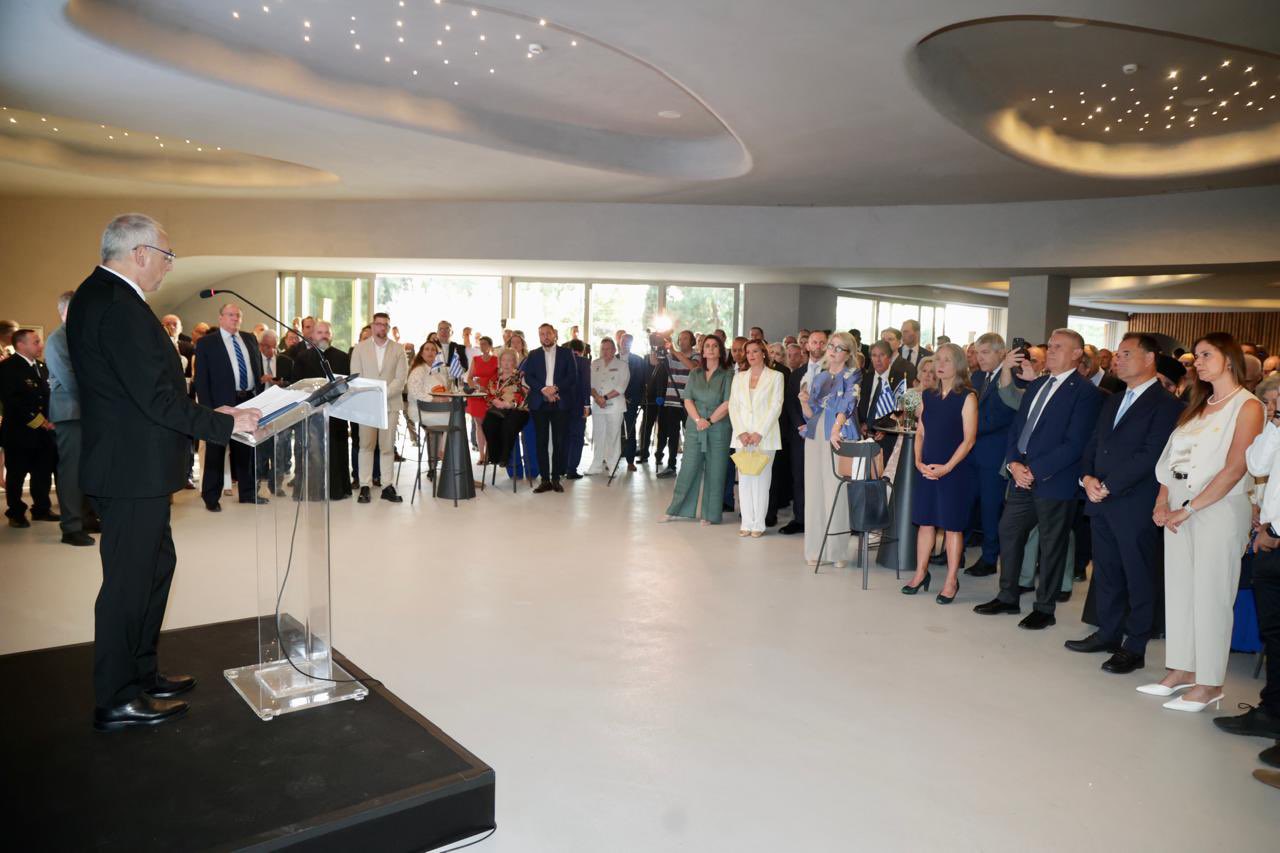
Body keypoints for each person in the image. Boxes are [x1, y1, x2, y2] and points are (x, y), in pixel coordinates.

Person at [67, 212, 259, 731]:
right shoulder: (115, 305)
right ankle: (116, 697)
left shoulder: (107, 297)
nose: (169, 266)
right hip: (129, 469)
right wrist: (223, 423)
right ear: (140, 253)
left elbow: (145, 390)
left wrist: (212, 414)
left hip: (135, 465)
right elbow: (151, 398)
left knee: (155, 569)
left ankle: (141, 672)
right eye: (167, 256)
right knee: (128, 584)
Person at [1143, 333, 1263, 711]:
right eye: (1196, 357)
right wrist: (1163, 501)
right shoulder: (1198, 404)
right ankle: (1182, 669)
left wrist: (1190, 508)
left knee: (1212, 595)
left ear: (1229, 358)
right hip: (1180, 502)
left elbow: (1235, 468)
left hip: (1218, 507)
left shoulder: (1248, 406)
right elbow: (1171, 460)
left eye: (1206, 355)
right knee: (1181, 590)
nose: (1198, 362)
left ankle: (1210, 683)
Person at [1066, 334, 1185, 674]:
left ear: (1149, 359)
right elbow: (1094, 442)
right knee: (1106, 572)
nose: (1118, 360)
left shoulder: (1166, 404)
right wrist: (1087, 477)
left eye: (1126, 354)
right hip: (1101, 498)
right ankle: (1108, 632)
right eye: (1117, 354)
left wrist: (1109, 485)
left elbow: (1151, 454)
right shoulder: (1115, 399)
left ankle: (1135, 646)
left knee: (1138, 576)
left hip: (1134, 502)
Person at [974, 329, 1103, 629]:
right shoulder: (1039, 384)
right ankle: (1008, 596)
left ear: (1076, 354)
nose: (1051, 351)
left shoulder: (1085, 393)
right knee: (1009, 530)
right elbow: (1017, 428)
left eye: (1059, 347)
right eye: (1051, 346)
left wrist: (1034, 469)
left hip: (1054, 479)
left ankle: (1045, 608)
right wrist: (1014, 463)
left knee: (1051, 543)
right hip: (1022, 475)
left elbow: (1075, 443)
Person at [1214, 381, 1280, 760]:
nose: (1271, 407)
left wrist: (1276, 532)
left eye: (1276, 402)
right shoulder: (1276, 426)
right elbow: (1257, 465)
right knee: (1275, 635)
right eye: (1269, 401)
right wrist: (1275, 423)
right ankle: (1273, 712)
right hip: (1269, 540)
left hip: (1275, 537)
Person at [902, 343, 977, 603]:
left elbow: (969, 440)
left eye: (946, 360)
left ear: (959, 365)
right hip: (927, 468)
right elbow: (920, 432)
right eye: (937, 359)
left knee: (952, 526)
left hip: (954, 471)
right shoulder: (928, 396)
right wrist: (918, 461)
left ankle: (951, 580)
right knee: (925, 523)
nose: (940, 365)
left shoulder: (967, 397)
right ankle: (921, 573)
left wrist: (946, 467)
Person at [193, 303, 265, 510]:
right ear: (221, 318)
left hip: (248, 400)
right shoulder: (207, 343)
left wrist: (259, 398)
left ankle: (248, 493)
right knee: (216, 451)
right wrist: (208, 409)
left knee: (246, 449)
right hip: (221, 404)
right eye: (231, 315)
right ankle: (211, 498)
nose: (235, 318)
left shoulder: (250, 339)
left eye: (238, 315)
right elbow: (201, 380)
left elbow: (257, 370)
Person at [800, 332, 862, 566]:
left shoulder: (852, 374)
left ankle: (837, 551)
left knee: (835, 491)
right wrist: (803, 401)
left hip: (838, 435)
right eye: (831, 346)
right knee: (814, 491)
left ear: (848, 353)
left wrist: (836, 429)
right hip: (815, 435)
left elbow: (848, 405)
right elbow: (811, 413)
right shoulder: (820, 376)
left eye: (839, 348)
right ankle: (815, 549)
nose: (833, 351)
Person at [45, 291, 101, 545]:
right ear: (65, 311)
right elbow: (69, 379)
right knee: (71, 471)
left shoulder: (81, 334)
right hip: (71, 413)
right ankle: (70, 527)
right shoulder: (57, 339)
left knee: (88, 468)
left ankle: (87, 518)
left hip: (87, 411)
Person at [662, 335, 734, 525]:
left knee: (715, 471)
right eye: (707, 346)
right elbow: (687, 399)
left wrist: (709, 421)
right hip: (695, 426)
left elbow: (728, 403)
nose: (710, 349)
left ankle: (710, 514)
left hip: (719, 426)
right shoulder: (695, 373)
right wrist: (697, 420)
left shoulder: (728, 374)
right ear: (702, 351)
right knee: (688, 467)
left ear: (721, 350)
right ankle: (676, 509)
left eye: (715, 346)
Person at [964, 333, 1016, 578]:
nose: (979, 357)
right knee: (965, 504)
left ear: (1001, 353)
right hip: (972, 451)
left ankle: (989, 557)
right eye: (977, 352)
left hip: (994, 454)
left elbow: (1001, 417)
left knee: (990, 508)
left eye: (985, 352)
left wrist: (964, 427)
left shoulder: (1011, 378)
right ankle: (956, 549)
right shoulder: (976, 377)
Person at [1, 328, 59, 528]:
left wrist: (51, 420)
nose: (40, 345)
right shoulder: (7, 368)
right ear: (20, 345)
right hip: (19, 432)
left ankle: (41, 508)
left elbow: (48, 396)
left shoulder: (42, 367)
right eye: (35, 342)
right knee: (16, 475)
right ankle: (16, 512)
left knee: (42, 472)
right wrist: (39, 421)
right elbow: (12, 401)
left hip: (44, 433)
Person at [350, 312, 408, 504]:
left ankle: (387, 486)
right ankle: (365, 485)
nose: (382, 327)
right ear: (372, 326)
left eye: (385, 325)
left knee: (387, 447)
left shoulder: (398, 349)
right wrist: (373, 396)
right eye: (378, 324)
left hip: (390, 404)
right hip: (366, 404)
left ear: (388, 328)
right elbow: (355, 376)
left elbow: (400, 379)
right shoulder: (360, 348)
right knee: (366, 445)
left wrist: (383, 394)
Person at [291, 320, 352, 499]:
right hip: (313, 414)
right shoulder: (302, 358)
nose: (324, 336)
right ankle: (314, 491)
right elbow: (297, 386)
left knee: (337, 451)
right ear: (312, 336)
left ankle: (337, 491)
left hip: (337, 413)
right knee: (313, 454)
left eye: (327, 332)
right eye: (320, 332)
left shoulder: (342, 357)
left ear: (331, 335)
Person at [729, 340, 784, 536]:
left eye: (755, 351)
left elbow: (776, 406)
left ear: (763, 353)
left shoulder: (776, 376)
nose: (751, 355)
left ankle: (758, 524)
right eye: (748, 352)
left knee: (762, 481)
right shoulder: (739, 377)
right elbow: (733, 406)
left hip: (765, 437)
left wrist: (759, 432)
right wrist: (741, 432)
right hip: (742, 436)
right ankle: (746, 523)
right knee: (744, 480)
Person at [522, 323, 579, 493]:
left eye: (548, 333)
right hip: (539, 403)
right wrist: (543, 390)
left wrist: (555, 388)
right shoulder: (533, 354)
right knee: (541, 442)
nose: (545, 336)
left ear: (554, 334)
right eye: (542, 334)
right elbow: (529, 377)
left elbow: (572, 376)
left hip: (560, 402)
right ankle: (545, 480)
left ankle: (556, 479)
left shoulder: (566, 353)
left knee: (559, 442)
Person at [779, 331, 826, 536]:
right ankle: (800, 519)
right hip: (800, 434)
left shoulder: (832, 372)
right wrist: (800, 425)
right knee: (799, 476)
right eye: (814, 342)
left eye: (822, 343)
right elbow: (790, 402)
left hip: (823, 433)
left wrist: (815, 425)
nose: (818, 346)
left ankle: (820, 520)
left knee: (821, 477)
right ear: (807, 346)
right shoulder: (798, 373)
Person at [858, 339, 915, 461]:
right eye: (874, 355)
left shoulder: (900, 378)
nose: (877, 360)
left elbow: (904, 410)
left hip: (887, 437)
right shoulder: (866, 378)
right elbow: (861, 405)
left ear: (889, 358)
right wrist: (861, 423)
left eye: (882, 355)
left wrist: (885, 429)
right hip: (864, 434)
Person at [481, 349, 530, 480]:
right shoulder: (495, 378)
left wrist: (510, 404)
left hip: (518, 410)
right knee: (487, 423)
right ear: (500, 362)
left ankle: (504, 457)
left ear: (515, 362)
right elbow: (487, 394)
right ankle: (495, 456)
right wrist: (494, 401)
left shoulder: (520, 377)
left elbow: (525, 394)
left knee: (508, 425)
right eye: (504, 360)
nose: (506, 363)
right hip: (498, 409)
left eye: (510, 360)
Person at [655, 331, 697, 478]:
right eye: (680, 339)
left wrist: (673, 351)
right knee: (672, 436)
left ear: (692, 341)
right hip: (672, 401)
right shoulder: (671, 356)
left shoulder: (696, 355)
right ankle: (671, 466)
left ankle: (691, 466)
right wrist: (656, 346)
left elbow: (692, 367)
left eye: (685, 338)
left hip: (689, 402)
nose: (682, 341)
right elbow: (654, 362)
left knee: (691, 435)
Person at [586, 337, 630, 475]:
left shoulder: (622, 365)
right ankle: (596, 465)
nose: (605, 352)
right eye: (603, 349)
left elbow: (621, 387)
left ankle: (612, 466)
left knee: (613, 436)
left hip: (615, 406)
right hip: (598, 406)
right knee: (598, 436)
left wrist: (604, 398)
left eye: (608, 349)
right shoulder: (595, 364)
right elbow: (590, 384)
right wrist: (597, 398)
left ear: (614, 350)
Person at [466, 336, 499, 463]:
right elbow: (469, 378)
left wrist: (489, 389)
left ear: (490, 345)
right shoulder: (475, 359)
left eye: (485, 343)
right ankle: (481, 455)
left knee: (490, 424)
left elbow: (499, 378)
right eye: (481, 344)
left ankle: (491, 454)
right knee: (479, 425)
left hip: (491, 395)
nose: (482, 346)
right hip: (477, 396)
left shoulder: (496, 360)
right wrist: (477, 387)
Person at [563, 339, 593, 479]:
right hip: (578, 405)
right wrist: (587, 404)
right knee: (577, 438)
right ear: (582, 350)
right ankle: (571, 469)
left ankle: (562, 467)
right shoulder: (584, 362)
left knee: (564, 437)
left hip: (562, 405)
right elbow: (586, 384)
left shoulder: (562, 361)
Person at [620, 333, 648, 473]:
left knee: (630, 431)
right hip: (613, 400)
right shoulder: (613, 358)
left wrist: (628, 397)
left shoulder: (638, 360)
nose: (625, 344)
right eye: (623, 341)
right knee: (614, 431)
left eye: (628, 342)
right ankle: (611, 459)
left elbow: (640, 382)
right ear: (619, 342)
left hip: (631, 401)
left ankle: (630, 461)